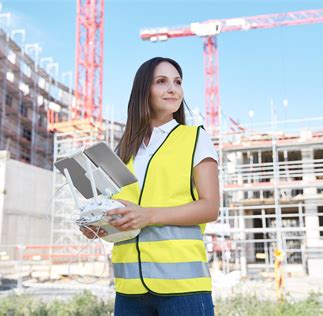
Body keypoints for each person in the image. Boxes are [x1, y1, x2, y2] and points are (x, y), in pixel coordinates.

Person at [80, 57, 219, 315]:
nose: (173, 88)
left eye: (177, 82)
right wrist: (97, 225)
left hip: (183, 290)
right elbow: (118, 212)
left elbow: (210, 207)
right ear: (144, 90)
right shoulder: (124, 151)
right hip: (129, 290)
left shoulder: (195, 138)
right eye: (161, 81)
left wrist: (148, 215)